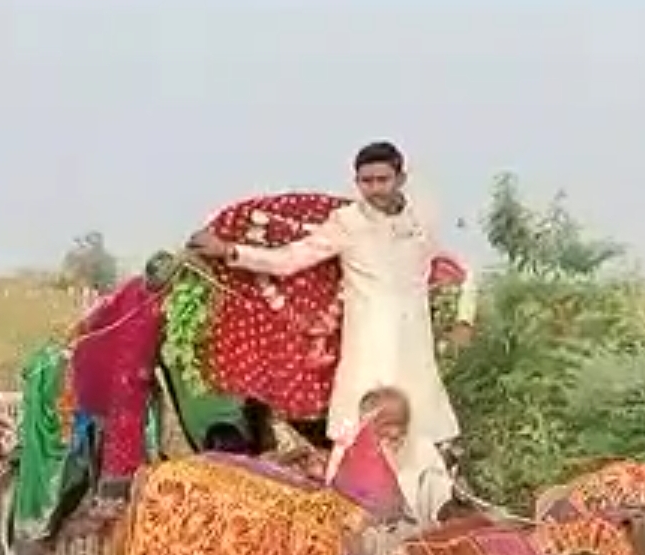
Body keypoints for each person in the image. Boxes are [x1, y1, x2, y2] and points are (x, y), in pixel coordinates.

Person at [190, 141, 476, 459]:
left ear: (400, 178)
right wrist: (231, 251)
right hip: (367, 345)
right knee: (357, 434)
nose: (375, 189)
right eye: (366, 182)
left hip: (414, 344)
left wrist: (465, 319)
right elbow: (290, 259)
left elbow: (465, 269)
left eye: (383, 180)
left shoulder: (421, 221)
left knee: (421, 434)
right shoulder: (346, 222)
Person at [326, 387, 455, 526]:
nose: (397, 432)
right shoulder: (358, 445)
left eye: (401, 424)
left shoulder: (419, 455)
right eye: (389, 424)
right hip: (365, 509)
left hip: (392, 514)